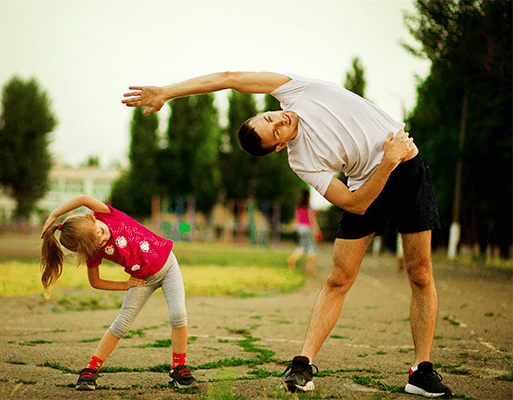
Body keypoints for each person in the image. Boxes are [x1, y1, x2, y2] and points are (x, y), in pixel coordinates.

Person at [122, 72, 451, 398]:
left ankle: (421, 371)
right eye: (276, 130)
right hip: (366, 184)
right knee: (339, 278)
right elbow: (356, 203)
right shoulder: (302, 161)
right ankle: (303, 365)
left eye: (271, 116)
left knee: (420, 273)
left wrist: (167, 91)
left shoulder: (297, 91)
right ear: (279, 146)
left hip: (408, 170)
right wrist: (386, 161)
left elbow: (228, 78)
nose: (281, 120)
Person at [40, 195, 198, 391]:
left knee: (178, 314)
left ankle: (178, 368)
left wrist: (55, 214)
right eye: (98, 242)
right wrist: (126, 285)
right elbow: (95, 282)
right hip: (141, 279)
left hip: (168, 265)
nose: (103, 237)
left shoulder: (108, 215)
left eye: (100, 232)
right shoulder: (94, 250)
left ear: (92, 218)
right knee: (121, 324)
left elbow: (82, 199)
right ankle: (90, 369)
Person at [287, 189, 321, 276]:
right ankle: (310, 269)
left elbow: (296, 219)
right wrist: (317, 230)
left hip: (300, 228)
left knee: (303, 247)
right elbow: (312, 220)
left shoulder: (298, 207)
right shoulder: (309, 207)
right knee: (312, 249)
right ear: (308, 197)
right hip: (307, 229)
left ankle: (292, 260)